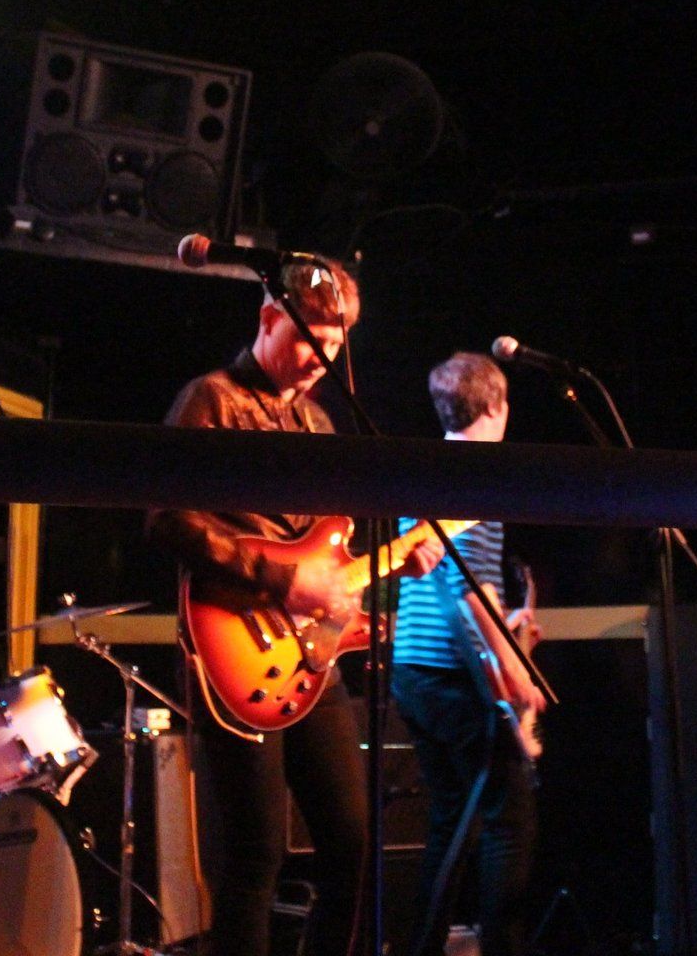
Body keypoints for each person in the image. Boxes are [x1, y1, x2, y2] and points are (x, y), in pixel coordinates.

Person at [147, 256, 440, 956]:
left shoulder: (316, 421)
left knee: (351, 845)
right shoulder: (209, 400)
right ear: (270, 318)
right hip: (234, 650)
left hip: (313, 658)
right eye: (313, 339)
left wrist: (406, 551)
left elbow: (327, 549)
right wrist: (282, 583)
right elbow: (166, 519)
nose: (322, 360)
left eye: (337, 346)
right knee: (254, 856)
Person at [392, 352, 544, 956]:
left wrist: (510, 624)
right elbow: (468, 598)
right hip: (457, 677)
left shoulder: (425, 470)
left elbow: (452, 589)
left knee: (451, 818)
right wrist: (516, 674)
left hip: (413, 670)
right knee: (511, 821)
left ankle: (425, 945)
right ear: (497, 405)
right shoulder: (477, 479)